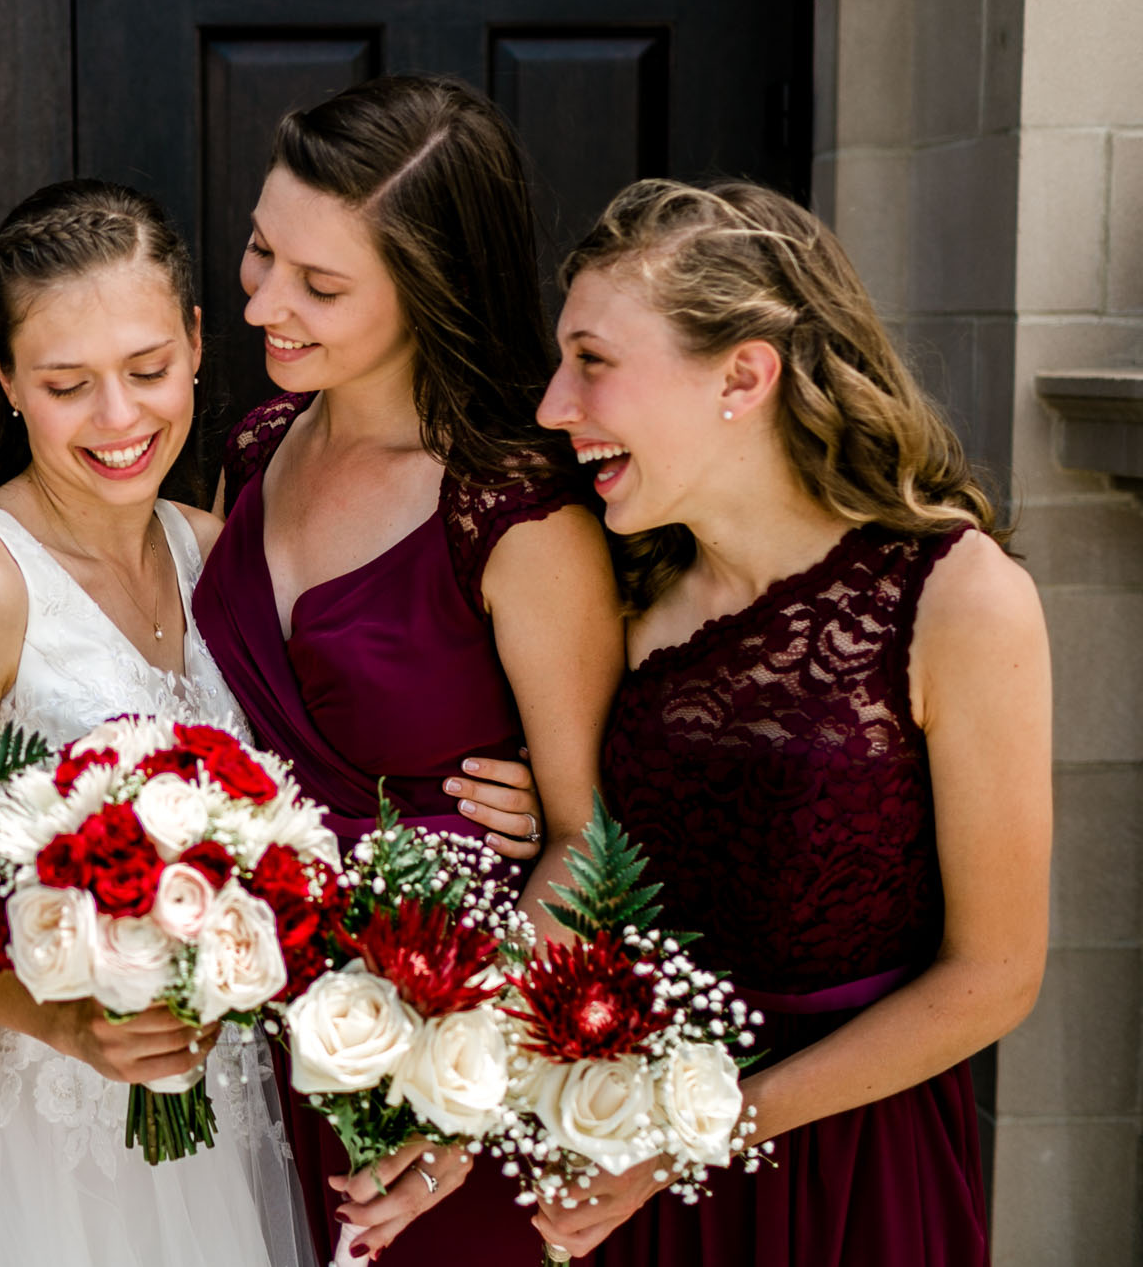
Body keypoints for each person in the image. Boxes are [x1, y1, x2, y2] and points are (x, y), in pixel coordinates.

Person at [532, 179, 1049, 1265]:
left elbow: (993, 973)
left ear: (742, 374)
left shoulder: (955, 598)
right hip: (620, 1166)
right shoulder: (614, 588)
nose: (551, 406)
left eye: (590, 361)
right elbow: (582, 856)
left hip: (844, 1171)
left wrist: (704, 1134)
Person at [191, 73, 623, 1263]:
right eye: (259, 253)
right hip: (239, 1032)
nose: (262, 304)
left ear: (428, 291)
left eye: (319, 285)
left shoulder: (515, 511)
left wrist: (453, 1083)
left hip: (432, 1072)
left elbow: (588, 840)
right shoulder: (256, 441)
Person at [0, 179, 313, 1267]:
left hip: (223, 1099)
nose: (120, 420)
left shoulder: (218, 550)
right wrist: (65, 1021)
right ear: (8, 382)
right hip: (42, 1134)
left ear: (199, 343)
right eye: (67, 386)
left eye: (148, 371)